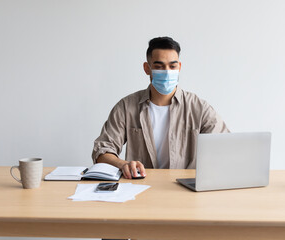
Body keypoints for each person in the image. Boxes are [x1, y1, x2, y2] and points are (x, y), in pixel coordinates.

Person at [92, 36, 229, 179]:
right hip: (140, 186)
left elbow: (225, 146)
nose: (167, 71)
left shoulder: (199, 108)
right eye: (159, 66)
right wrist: (122, 164)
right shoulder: (126, 107)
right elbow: (102, 150)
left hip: (185, 189)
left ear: (179, 67)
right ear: (147, 68)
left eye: (172, 66)